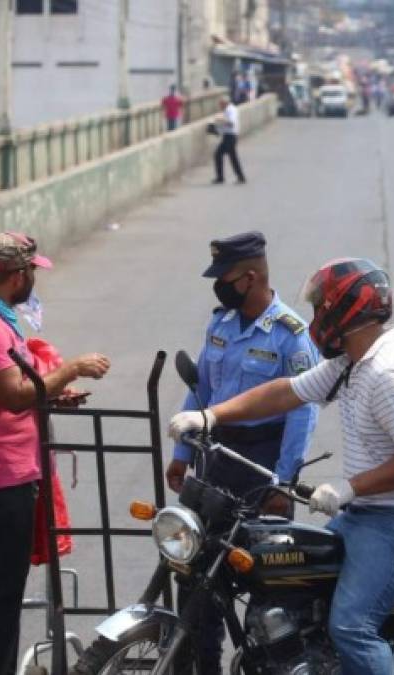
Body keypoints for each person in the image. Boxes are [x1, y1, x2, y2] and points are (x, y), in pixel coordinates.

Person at [170, 258, 394, 674]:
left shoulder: (392, 372)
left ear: (348, 310)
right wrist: (211, 416)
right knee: (290, 588)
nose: (317, 317)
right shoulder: (351, 363)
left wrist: (348, 488)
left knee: (353, 627)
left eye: (322, 308)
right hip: (363, 516)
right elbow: (285, 393)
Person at [0, 232, 110, 675]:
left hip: (5, 480)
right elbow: (13, 396)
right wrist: (70, 367)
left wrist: (53, 393)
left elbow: (22, 390)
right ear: (18, 277)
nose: (34, 278)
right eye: (32, 270)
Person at [165, 231, 320, 675]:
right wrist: (181, 451)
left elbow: (300, 414)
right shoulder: (221, 323)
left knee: (262, 579)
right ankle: (199, 665)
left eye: (225, 277)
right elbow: (201, 394)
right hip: (214, 459)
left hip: (260, 464)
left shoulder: (291, 336)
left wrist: (282, 482)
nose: (218, 285)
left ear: (250, 278)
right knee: (194, 571)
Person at [213, 95, 246, 185]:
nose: (220, 106)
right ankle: (239, 177)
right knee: (228, 156)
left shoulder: (231, 110)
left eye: (221, 104)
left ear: (225, 103)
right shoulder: (227, 110)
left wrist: (220, 119)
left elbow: (231, 123)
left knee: (223, 155)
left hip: (230, 136)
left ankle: (222, 177)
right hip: (227, 136)